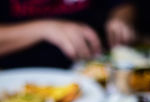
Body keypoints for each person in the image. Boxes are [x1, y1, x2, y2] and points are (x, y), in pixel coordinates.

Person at [0, 0, 137, 68]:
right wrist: (44, 29)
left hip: (92, 72)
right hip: (16, 79)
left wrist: (121, 18)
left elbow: (122, 4)